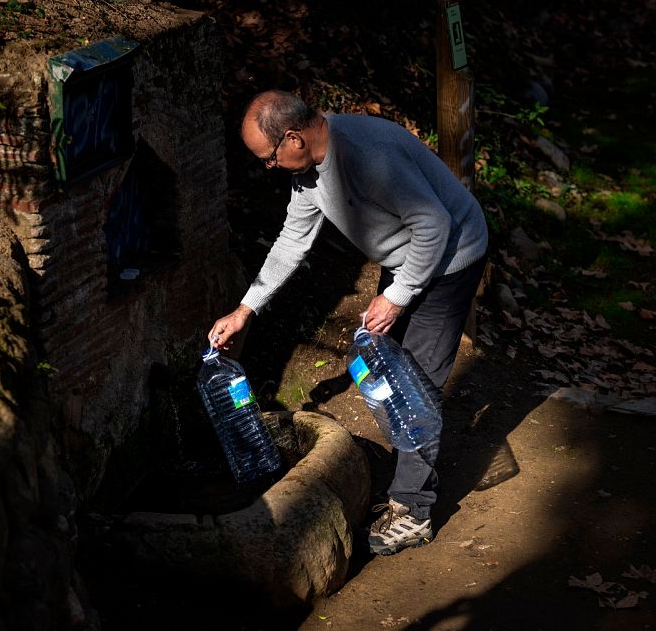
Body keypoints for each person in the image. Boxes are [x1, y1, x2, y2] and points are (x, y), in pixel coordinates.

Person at [208, 90, 488, 555]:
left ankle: (413, 509)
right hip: (407, 256)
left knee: (414, 385)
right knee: (374, 365)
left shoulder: (364, 155)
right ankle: (408, 468)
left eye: (269, 157)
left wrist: (396, 298)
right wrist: (245, 310)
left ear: (293, 138)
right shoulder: (310, 171)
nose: (268, 168)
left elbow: (435, 224)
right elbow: (292, 241)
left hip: (451, 257)